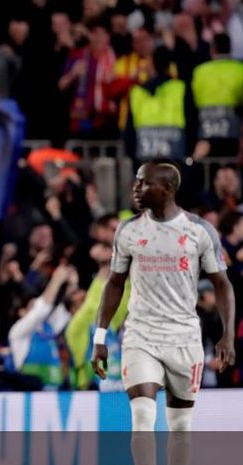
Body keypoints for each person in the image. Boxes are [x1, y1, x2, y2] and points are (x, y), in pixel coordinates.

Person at [91, 160, 235, 464]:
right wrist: (100, 336)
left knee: (180, 426)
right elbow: (114, 283)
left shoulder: (199, 231)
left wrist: (228, 334)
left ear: (167, 188)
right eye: (136, 182)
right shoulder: (128, 231)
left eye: (144, 183)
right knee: (142, 415)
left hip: (184, 337)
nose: (136, 188)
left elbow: (222, 284)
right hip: (141, 335)